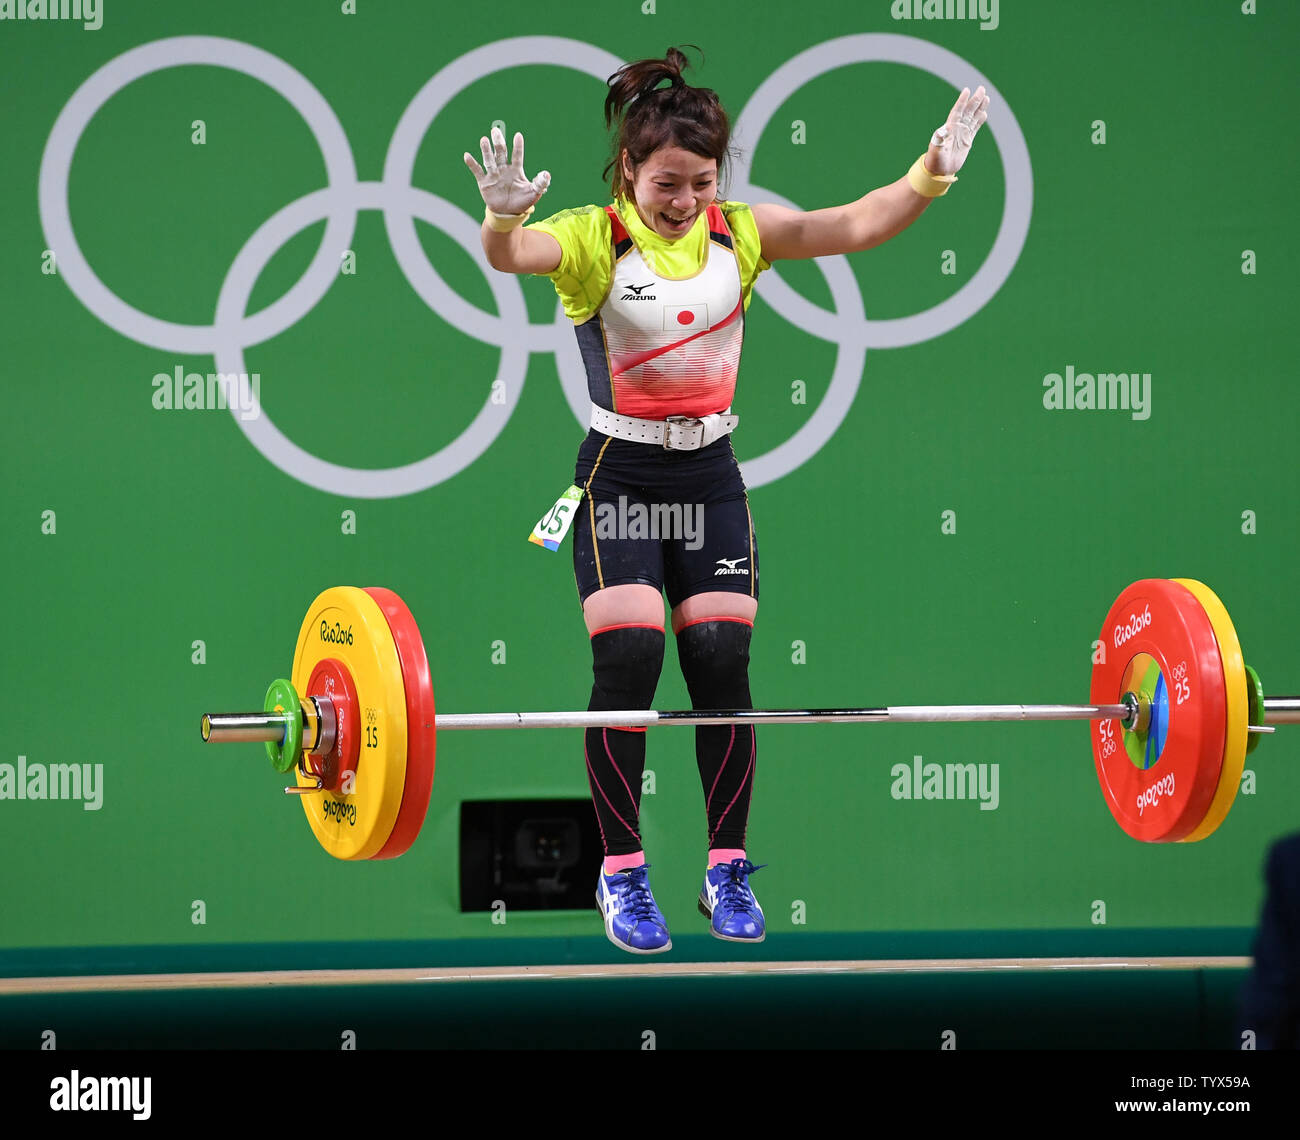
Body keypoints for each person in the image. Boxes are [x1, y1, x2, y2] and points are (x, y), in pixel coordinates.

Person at [465, 47, 989, 954]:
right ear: (630, 169)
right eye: (667, 182)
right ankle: (621, 872)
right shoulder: (594, 238)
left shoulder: (738, 233)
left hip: (708, 479)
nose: (683, 201)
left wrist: (930, 175)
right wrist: (500, 222)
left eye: (700, 183)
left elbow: (854, 225)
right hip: (619, 476)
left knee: (718, 661)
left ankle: (726, 868)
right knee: (628, 660)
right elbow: (518, 254)